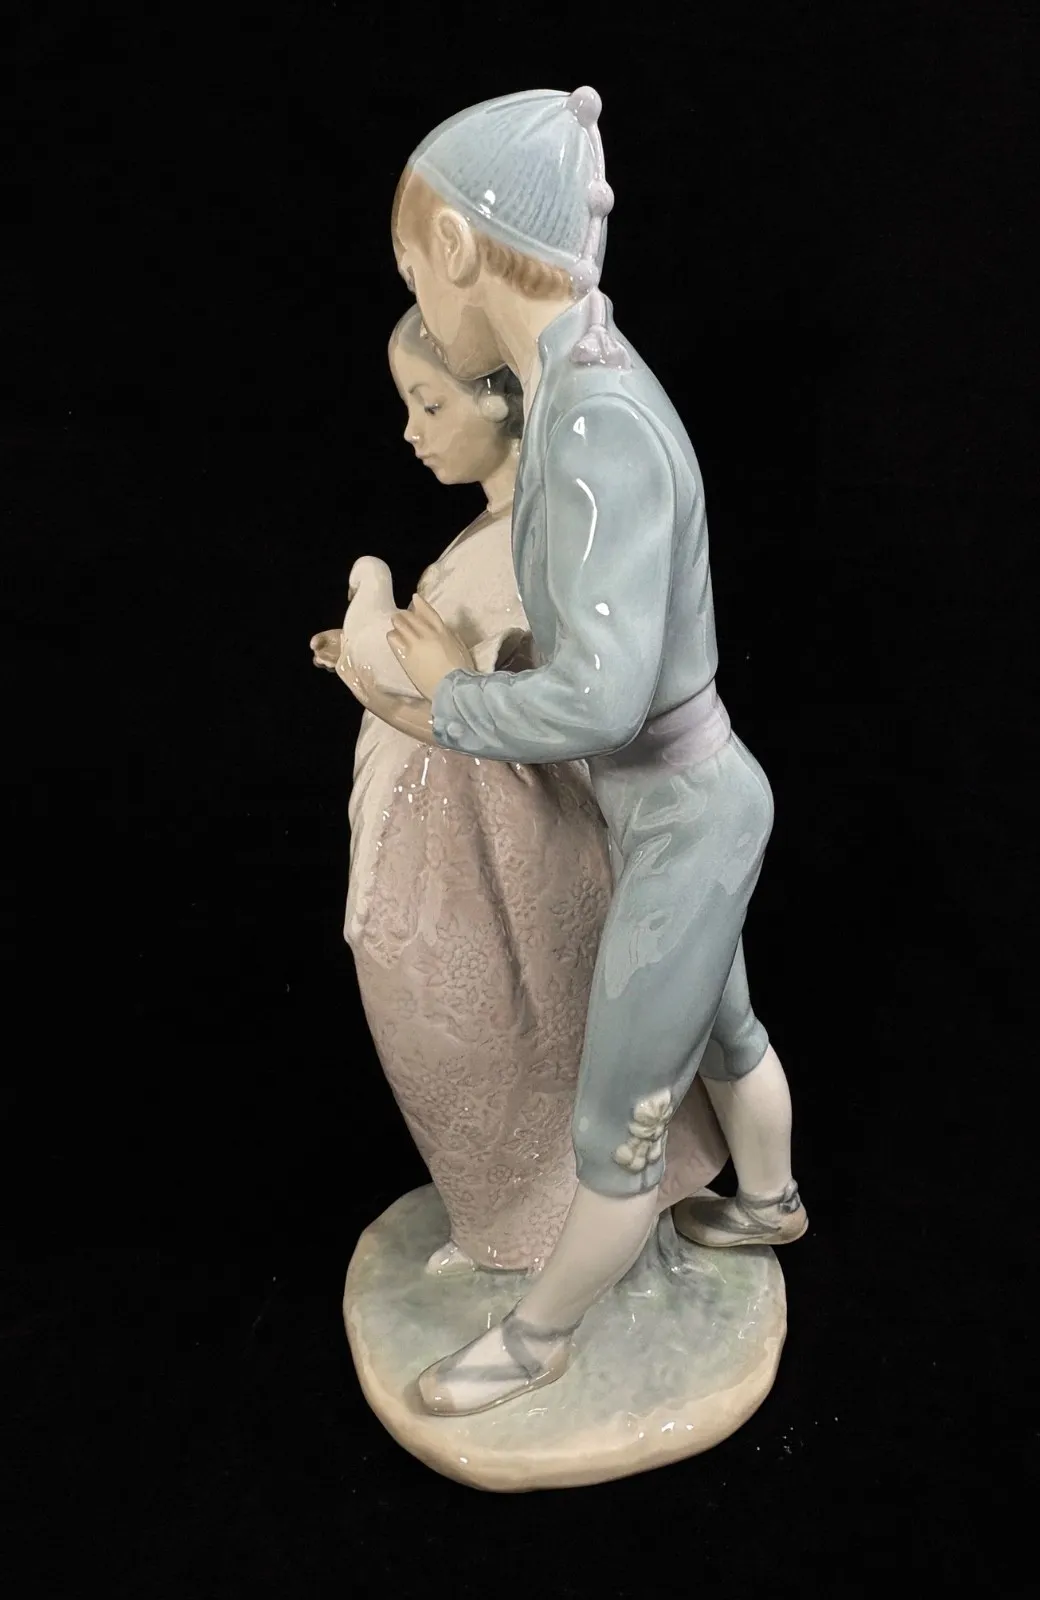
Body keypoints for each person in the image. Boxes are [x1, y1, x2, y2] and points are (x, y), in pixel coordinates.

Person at [378, 87, 807, 1416]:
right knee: (725, 1025)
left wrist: (448, 699)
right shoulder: (576, 384)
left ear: (458, 248)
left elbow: (604, 702)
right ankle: (773, 1200)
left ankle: (540, 1337)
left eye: (412, 269)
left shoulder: (590, 422)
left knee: (615, 1124)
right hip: (685, 804)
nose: (416, 299)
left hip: (680, 813)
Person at [312, 307, 727, 1277]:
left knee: (510, 1022)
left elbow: (531, 703)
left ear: (501, 402)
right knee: (457, 1022)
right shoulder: (496, 532)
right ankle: (503, 1224)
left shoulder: (536, 547)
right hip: (450, 825)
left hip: (504, 837)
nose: (410, 432)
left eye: (429, 404)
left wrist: (403, 674)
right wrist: (369, 667)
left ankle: (572, 1236)